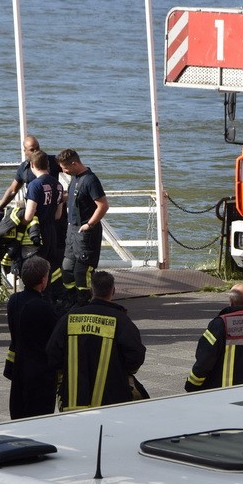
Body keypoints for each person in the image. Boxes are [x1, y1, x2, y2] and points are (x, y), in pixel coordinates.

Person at [46, 270, 145, 410]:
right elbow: (135, 357)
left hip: (73, 402)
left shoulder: (69, 318)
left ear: (91, 291)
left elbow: (52, 354)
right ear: (113, 291)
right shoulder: (121, 321)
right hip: (112, 402)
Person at [184, 283, 243, 391]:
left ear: (230, 301)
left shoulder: (220, 324)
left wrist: (192, 384)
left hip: (223, 393)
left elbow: (205, 357)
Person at [5, 256, 60, 419]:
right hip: (40, 374)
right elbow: (55, 336)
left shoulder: (14, 300)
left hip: (19, 368)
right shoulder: (43, 307)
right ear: (43, 280)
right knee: (39, 417)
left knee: (18, 414)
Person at [56, 149, 109, 308]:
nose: (63, 171)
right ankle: (71, 299)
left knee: (82, 272)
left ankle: (84, 302)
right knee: (66, 268)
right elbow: (72, 197)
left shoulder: (90, 180)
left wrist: (89, 224)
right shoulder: (75, 179)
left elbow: (103, 206)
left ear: (74, 163)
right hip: (72, 231)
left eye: (65, 168)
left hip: (86, 233)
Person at [21, 150, 64, 301]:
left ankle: (36, 300)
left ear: (32, 165)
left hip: (37, 234)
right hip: (52, 232)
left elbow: (29, 215)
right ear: (48, 165)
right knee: (50, 268)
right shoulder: (58, 185)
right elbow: (58, 215)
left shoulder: (35, 185)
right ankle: (50, 299)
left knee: (36, 269)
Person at [0, 134, 42, 216]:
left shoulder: (51, 161)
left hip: (53, 212)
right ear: (25, 151)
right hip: (34, 212)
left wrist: (66, 195)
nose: (36, 152)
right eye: (32, 150)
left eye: (37, 148)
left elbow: (67, 166)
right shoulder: (24, 168)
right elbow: (12, 190)